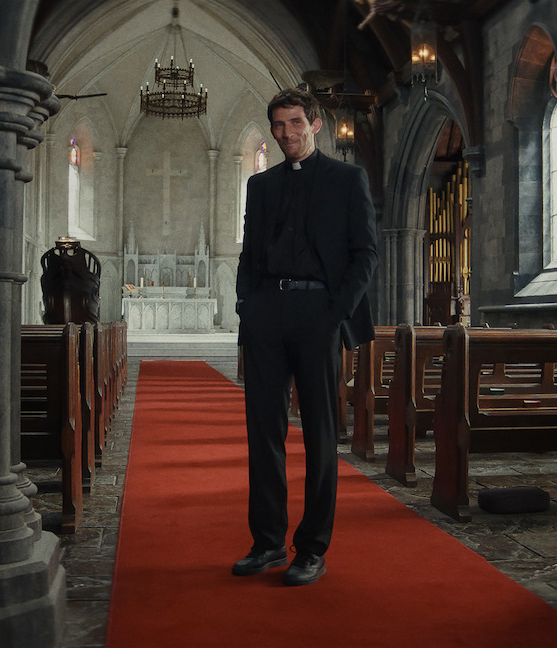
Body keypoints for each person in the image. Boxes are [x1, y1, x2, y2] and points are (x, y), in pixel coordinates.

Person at [232, 87, 377, 585]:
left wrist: (335, 313)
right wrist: (247, 309)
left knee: (319, 435)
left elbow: (365, 255)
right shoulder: (261, 185)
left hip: (320, 313)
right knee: (263, 434)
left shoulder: (347, 179)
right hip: (267, 315)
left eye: (295, 123)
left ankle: (311, 548)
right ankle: (268, 542)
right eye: (277, 125)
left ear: (315, 124)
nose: (285, 133)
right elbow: (249, 256)